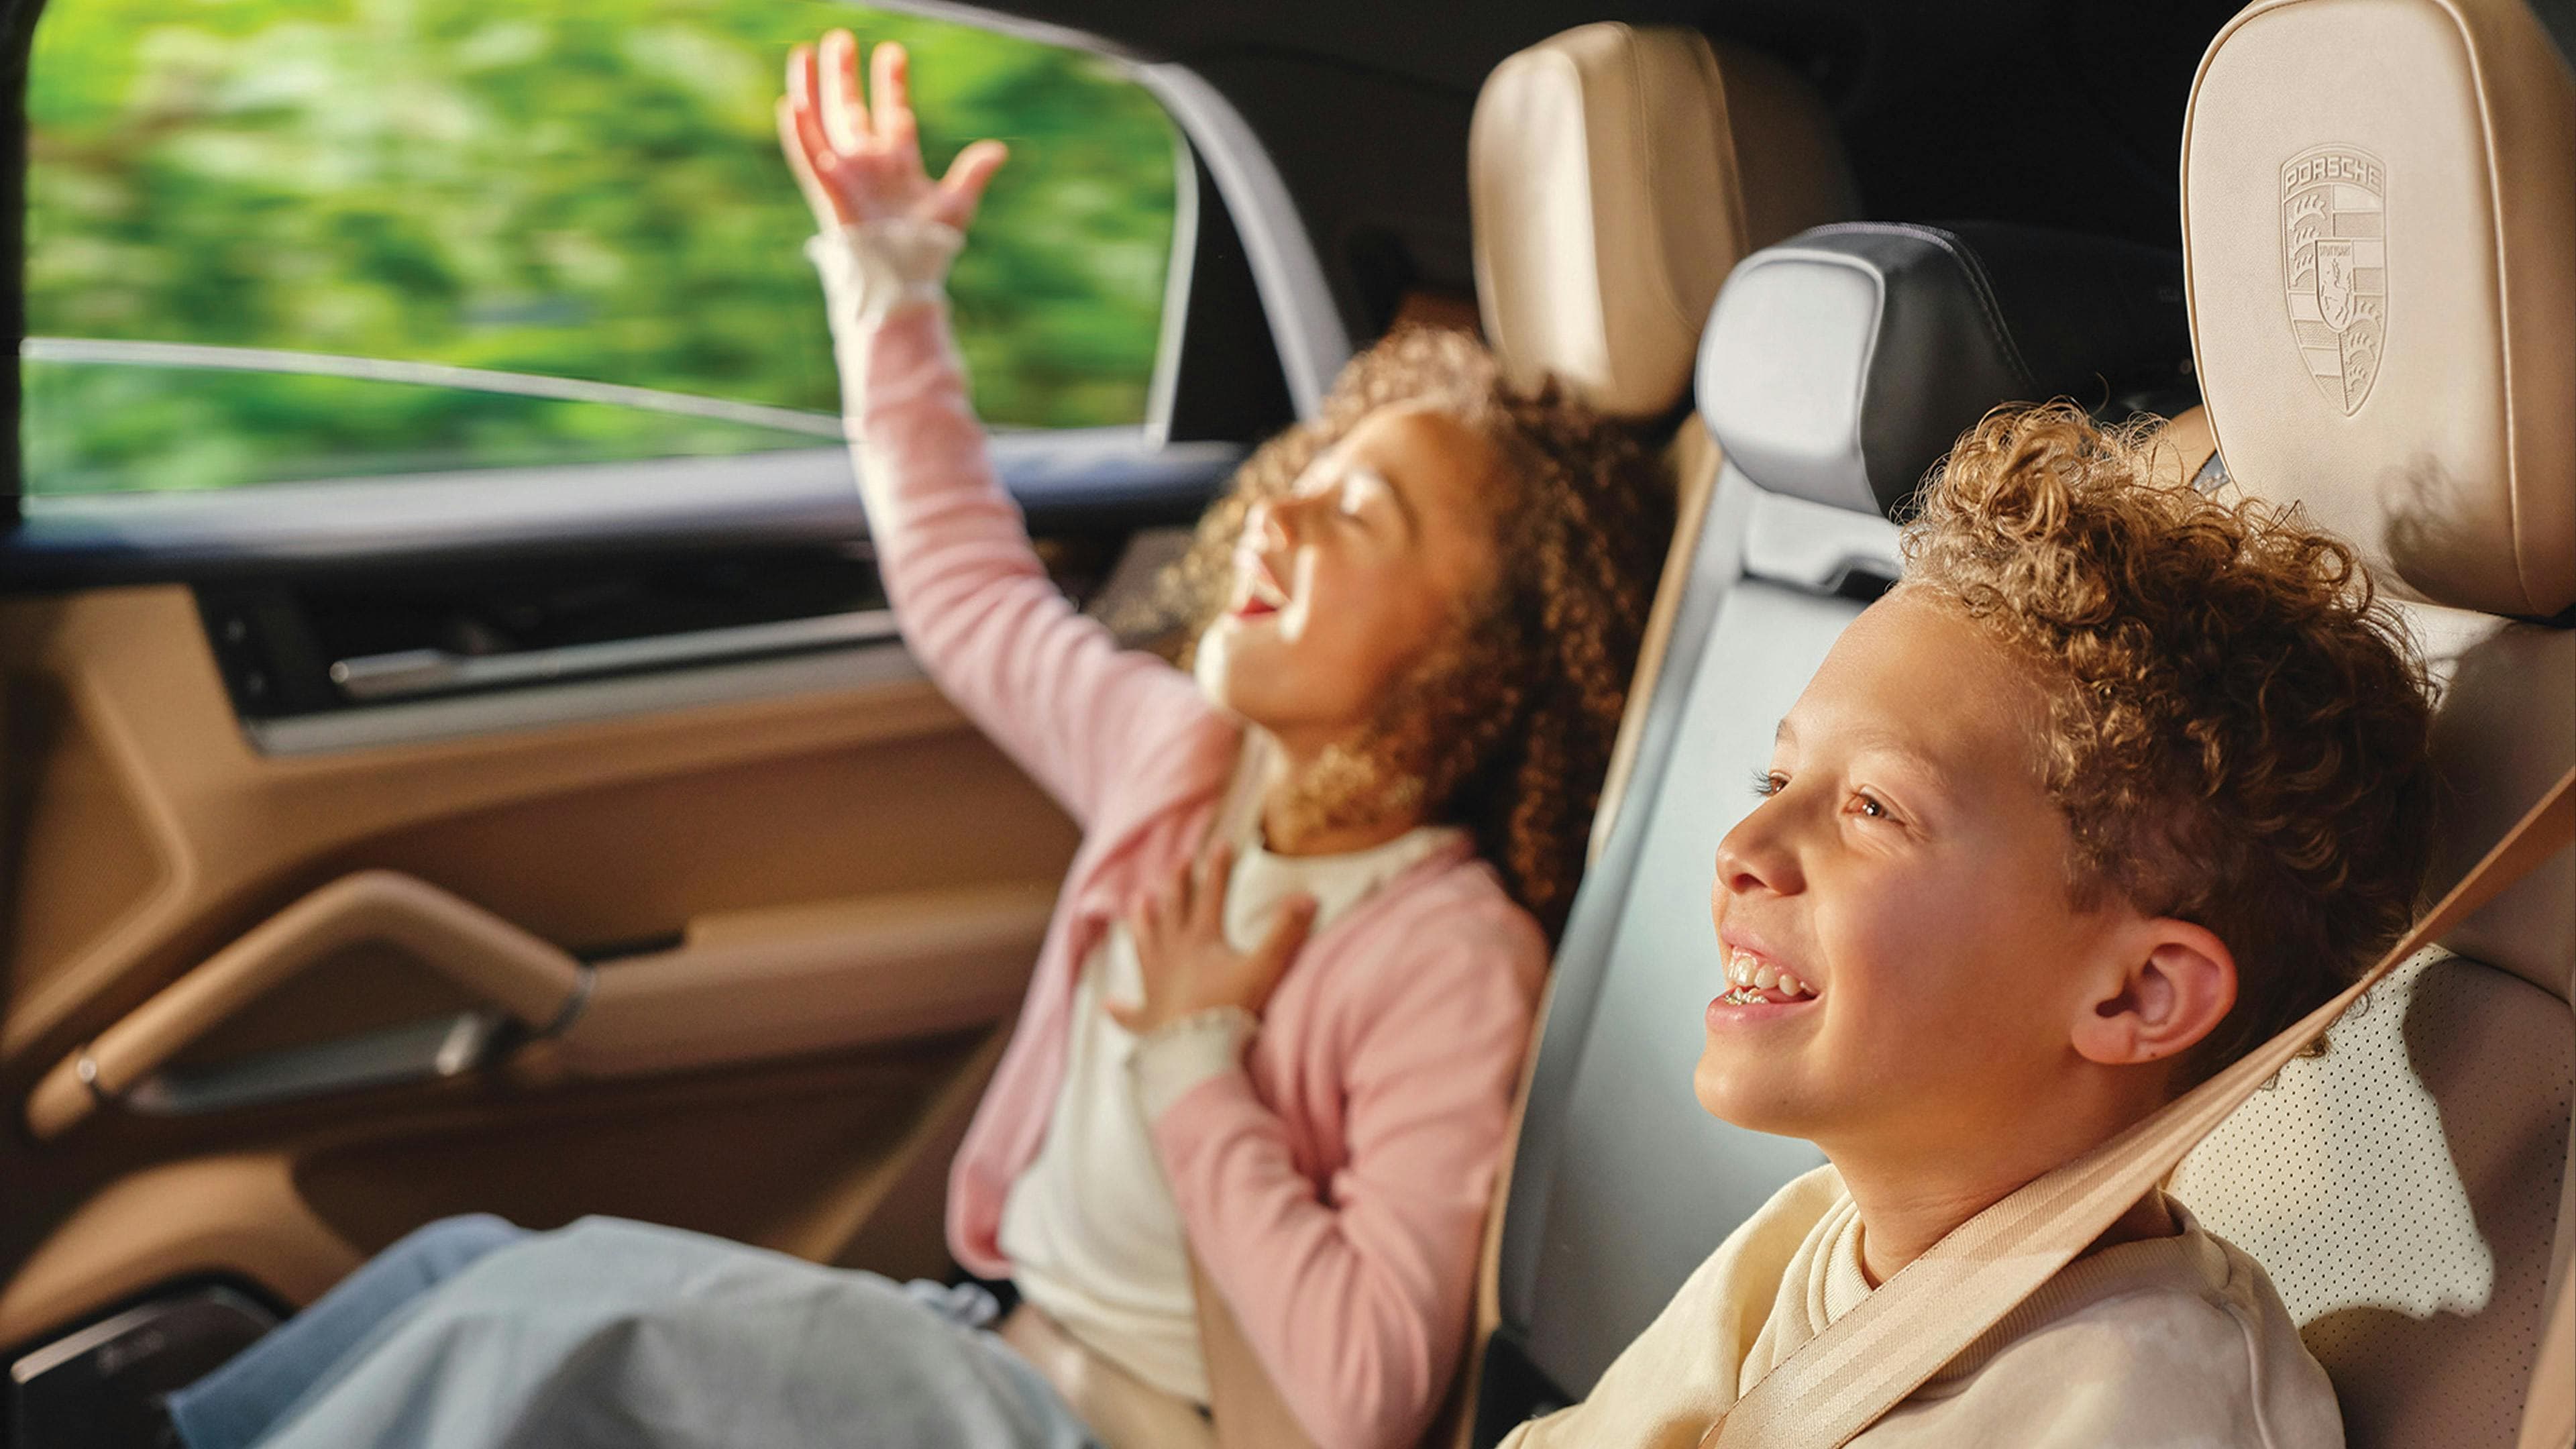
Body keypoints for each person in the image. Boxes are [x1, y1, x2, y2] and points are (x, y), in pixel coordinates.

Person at [151, 28, 1672, 1449]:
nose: (1279, 506)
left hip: (1101, 1424)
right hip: (984, 1345)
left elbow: (1357, 1399)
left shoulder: (1447, 961)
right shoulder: (1186, 766)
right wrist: (888, 282)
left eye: (1362, 514)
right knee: (468, 1267)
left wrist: (1196, 1059)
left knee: (575, 1325)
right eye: (1310, 467)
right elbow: (963, 584)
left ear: (1479, 663)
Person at [1499, 403, 2433, 1448]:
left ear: (2138, 993)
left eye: (1874, 810)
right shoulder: (1811, 1244)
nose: (1744, 847)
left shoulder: (2147, 1415)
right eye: (1777, 776)